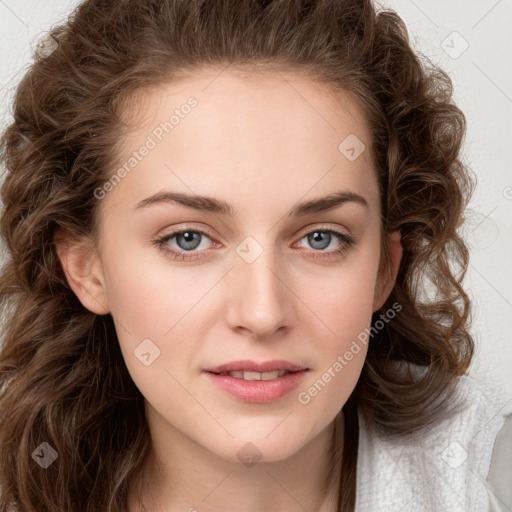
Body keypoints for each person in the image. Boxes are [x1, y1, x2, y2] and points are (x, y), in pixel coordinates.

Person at [0, 1, 510, 511]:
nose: (263, 313)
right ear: (85, 267)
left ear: (384, 268)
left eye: (320, 238)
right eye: (188, 239)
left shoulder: (489, 480)